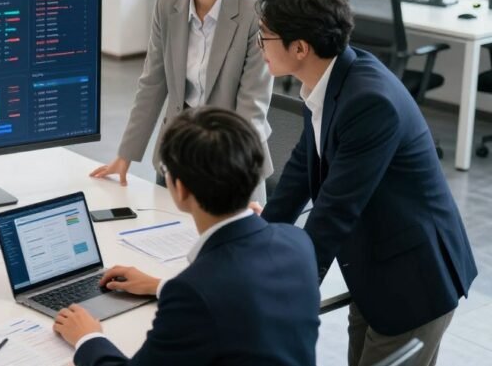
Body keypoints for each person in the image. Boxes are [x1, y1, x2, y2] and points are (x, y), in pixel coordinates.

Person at [257, 0, 478, 366]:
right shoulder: (331, 80)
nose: (258, 46)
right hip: (373, 269)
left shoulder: (369, 102)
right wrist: (255, 242)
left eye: (264, 36)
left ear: (301, 47)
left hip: (415, 282)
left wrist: (286, 292)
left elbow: (335, 210)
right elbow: (298, 174)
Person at [55, 107, 319, 366]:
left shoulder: (194, 291)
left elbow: (211, 297)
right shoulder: (298, 243)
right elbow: (238, 301)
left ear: (180, 189)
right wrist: (160, 285)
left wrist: (87, 338)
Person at [90, 0, 274, 202]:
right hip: (177, 157)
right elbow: (152, 84)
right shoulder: (168, 5)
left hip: (234, 163)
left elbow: (252, 106)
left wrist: (237, 177)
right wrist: (125, 155)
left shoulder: (253, 14)